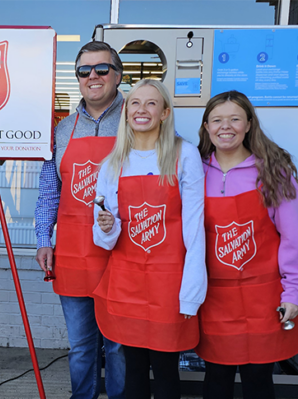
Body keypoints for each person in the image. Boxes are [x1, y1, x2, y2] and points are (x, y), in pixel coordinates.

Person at [195, 91, 298, 399]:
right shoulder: (193, 172)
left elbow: (295, 238)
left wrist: (294, 291)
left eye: (235, 119)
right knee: (216, 378)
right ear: (207, 127)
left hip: (264, 298)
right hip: (213, 299)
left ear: (249, 124)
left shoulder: (273, 173)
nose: (226, 127)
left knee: (258, 379)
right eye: (217, 120)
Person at [92, 79, 207, 399]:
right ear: (126, 112)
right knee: (133, 367)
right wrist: (106, 227)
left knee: (166, 367)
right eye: (135, 103)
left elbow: (195, 228)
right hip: (126, 280)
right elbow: (104, 239)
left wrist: (191, 293)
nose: (142, 109)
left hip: (169, 282)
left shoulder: (185, 155)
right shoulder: (113, 163)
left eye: (151, 103)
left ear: (165, 113)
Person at [34, 41, 126, 399]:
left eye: (102, 69)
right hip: (73, 253)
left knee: (119, 346)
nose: (93, 76)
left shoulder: (136, 120)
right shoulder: (62, 130)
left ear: (118, 75)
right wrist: (44, 240)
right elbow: (49, 192)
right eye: (84, 71)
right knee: (81, 346)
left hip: (123, 252)